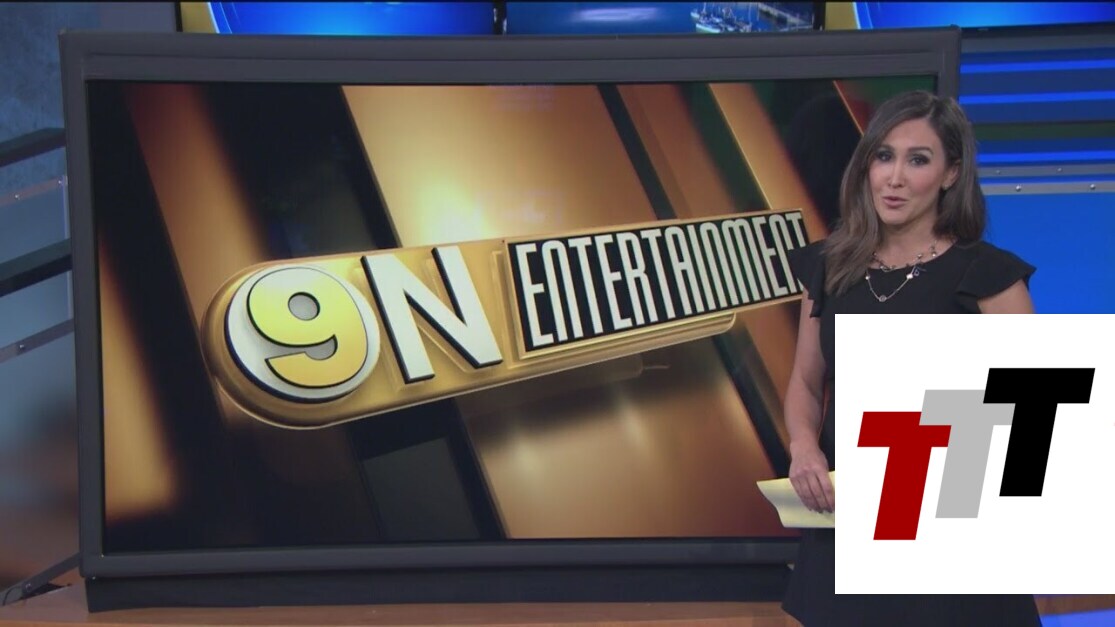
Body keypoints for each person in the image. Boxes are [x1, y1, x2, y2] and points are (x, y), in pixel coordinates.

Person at [780, 90, 1041, 626]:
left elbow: (1035, 414)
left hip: (954, 545)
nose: (894, 178)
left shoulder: (988, 278)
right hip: (848, 532)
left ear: (951, 174)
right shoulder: (831, 269)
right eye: (884, 156)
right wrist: (804, 449)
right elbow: (806, 383)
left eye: (918, 160)